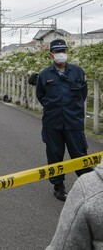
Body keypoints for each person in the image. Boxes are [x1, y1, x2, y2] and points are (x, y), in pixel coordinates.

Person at [36, 39, 92, 202]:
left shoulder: (77, 72)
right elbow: (41, 95)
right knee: (54, 156)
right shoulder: (44, 75)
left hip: (73, 122)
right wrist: (53, 107)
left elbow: (83, 94)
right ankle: (58, 187)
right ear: (51, 54)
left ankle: (89, 187)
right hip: (52, 123)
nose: (61, 54)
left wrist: (72, 109)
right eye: (58, 52)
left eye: (64, 51)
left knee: (80, 156)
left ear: (67, 53)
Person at [46, 163, 103, 249]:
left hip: (90, 187)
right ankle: (58, 186)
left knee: (78, 153)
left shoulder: (87, 191)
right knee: (55, 153)